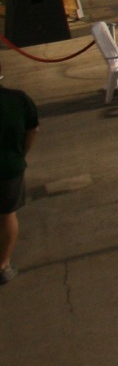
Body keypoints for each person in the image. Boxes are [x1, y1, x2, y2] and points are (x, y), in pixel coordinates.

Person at [0, 83, 38, 285]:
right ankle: (3, 265)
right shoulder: (18, 99)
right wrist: (20, 154)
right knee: (7, 214)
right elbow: (32, 130)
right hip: (9, 166)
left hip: (10, 165)